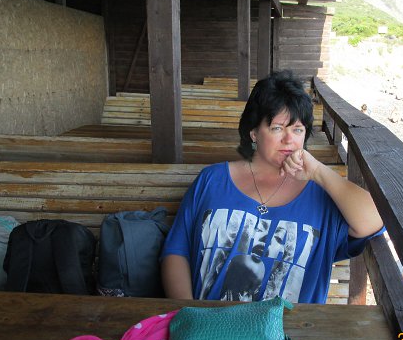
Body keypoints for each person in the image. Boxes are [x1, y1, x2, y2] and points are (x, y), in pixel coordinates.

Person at [160, 70, 384, 304]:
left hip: (292, 326)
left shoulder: (322, 194)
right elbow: (176, 251)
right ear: (254, 132)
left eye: (298, 129)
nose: (289, 139)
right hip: (208, 322)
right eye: (277, 128)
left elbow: (375, 219)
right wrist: (188, 311)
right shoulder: (212, 180)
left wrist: (318, 171)